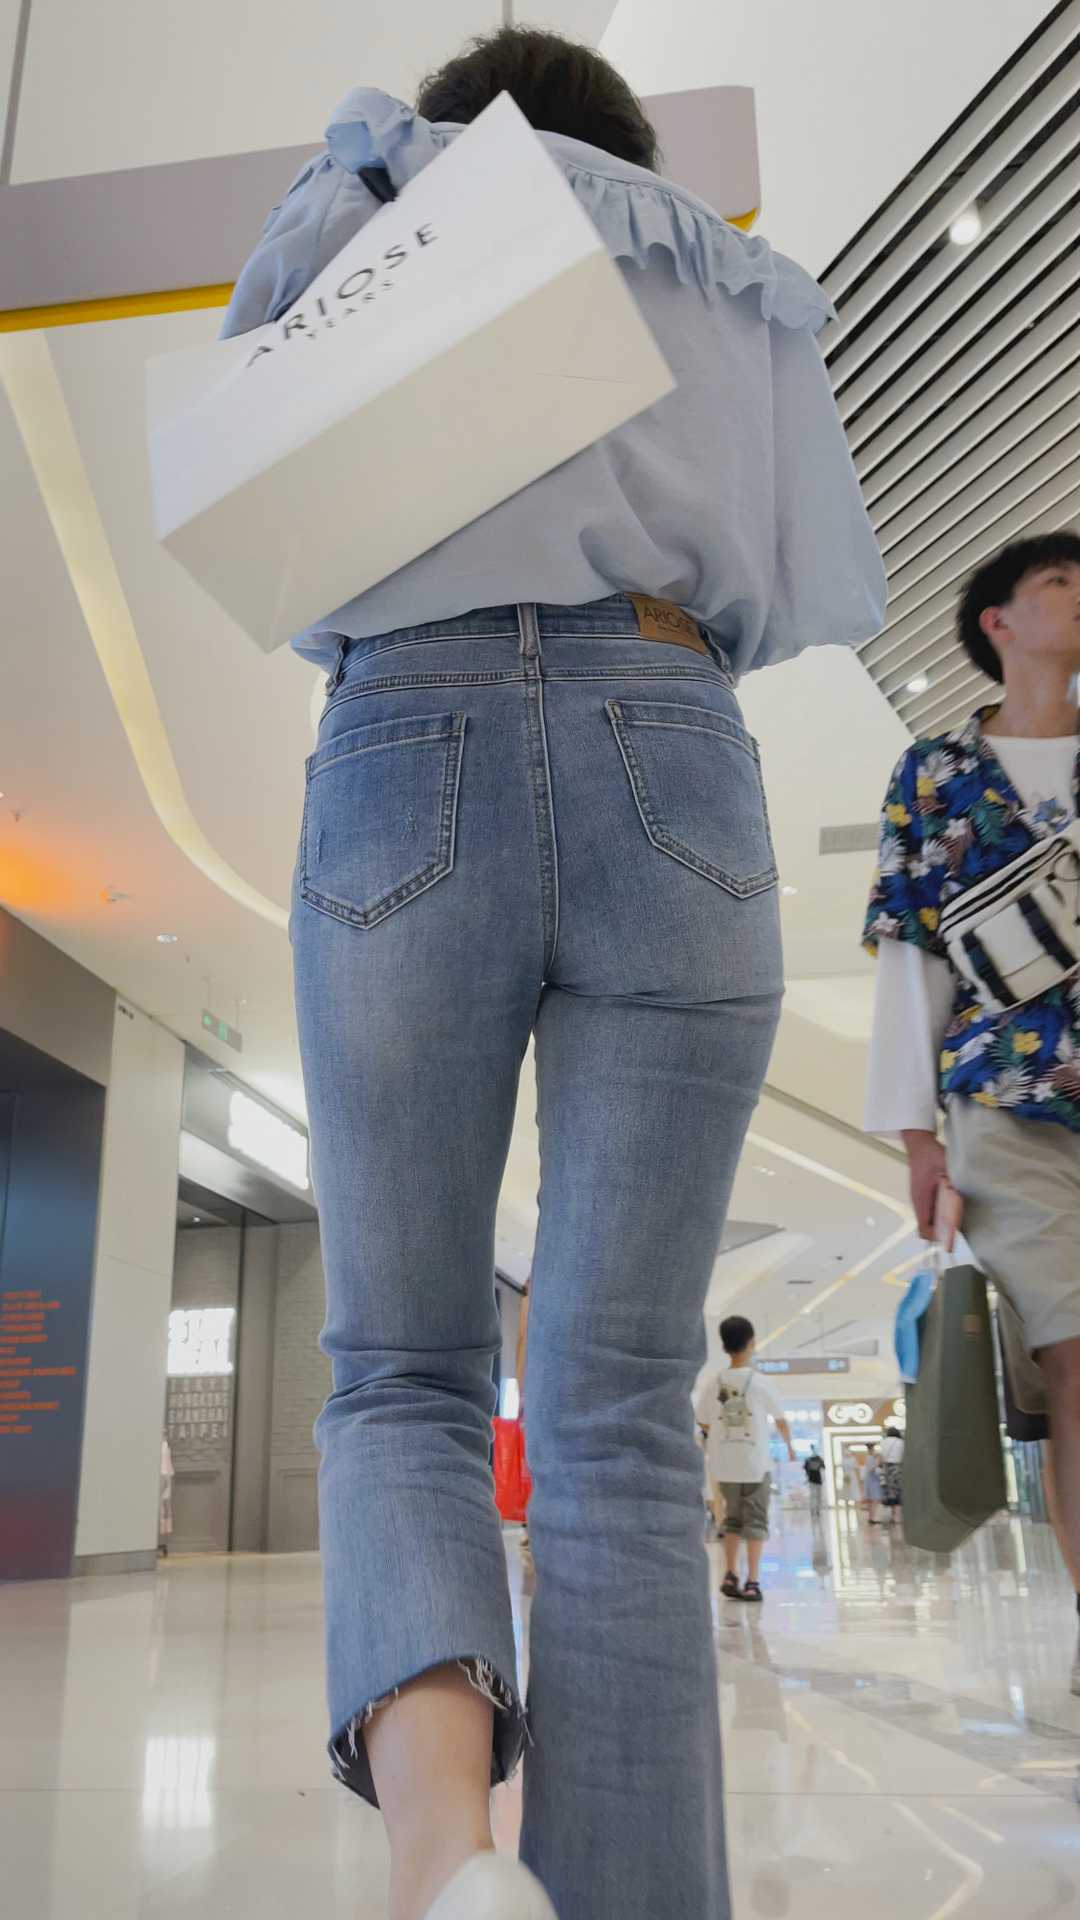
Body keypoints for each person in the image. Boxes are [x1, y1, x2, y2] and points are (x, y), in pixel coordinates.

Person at [223, 25, 885, 1920]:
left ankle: (452, 1870)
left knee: (404, 1370)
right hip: (670, 729)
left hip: (403, 735)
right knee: (615, 1405)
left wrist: (379, 166)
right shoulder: (727, 276)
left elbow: (256, 431)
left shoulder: (368, 209)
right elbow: (796, 573)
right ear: (630, 145)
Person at [864, 532, 1080, 1695]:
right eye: (1060, 584)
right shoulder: (936, 773)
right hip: (1005, 1104)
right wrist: (917, 1138)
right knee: (1075, 1357)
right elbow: (914, 958)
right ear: (998, 623)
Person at [696, 1316, 797, 1602]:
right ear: (752, 1343)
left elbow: (702, 1420)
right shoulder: (761, 1382)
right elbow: (781, 1420)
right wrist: (790, 1447)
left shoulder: (714, 1383)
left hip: (724, 1465)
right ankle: (752, 1581)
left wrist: (717, 1435)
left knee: (732, 1520)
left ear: (724, 1347)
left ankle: (730, 1574)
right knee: (755, 1522)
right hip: (755, 1464)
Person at [880, 1425, 904, 1526]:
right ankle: (897, 1516)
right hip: (898, 1468)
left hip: (886, 1468)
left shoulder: (883, 1442)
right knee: (898, 1491)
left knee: (890, 1492)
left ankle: (893, 1515)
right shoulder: (900, 1442)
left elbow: (882, 1456)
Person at [804, 1447, 826, 1520]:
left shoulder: (818, 1459)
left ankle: (816, 1509)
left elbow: (823, 1468)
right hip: (813, 1481)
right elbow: (806, 1470)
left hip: (817, 1480)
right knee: (814, 1496)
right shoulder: (809, 1460)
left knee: (816, 1496)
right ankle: (814, 1509)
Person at [862, 1445, 883, 1523]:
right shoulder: (870, 1458)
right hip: (872, 1480)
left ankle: (871, 1517)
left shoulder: (870, 1457)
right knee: (874, 1499)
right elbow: (872, 1468)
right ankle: (872, 1517)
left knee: (872, 1500)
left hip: (872, 1479)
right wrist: (877, 1462)